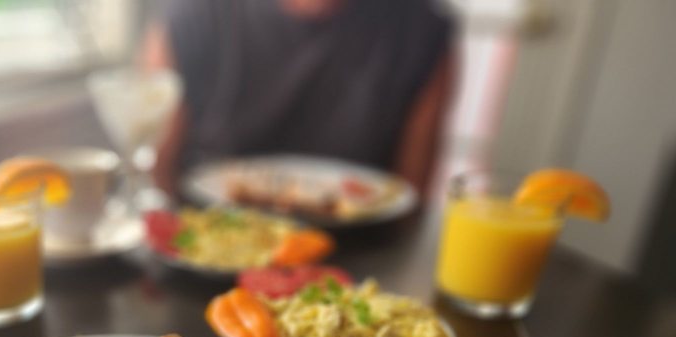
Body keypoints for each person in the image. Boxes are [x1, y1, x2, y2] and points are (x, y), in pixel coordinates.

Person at [142, 0, 456, 197]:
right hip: (202, 242)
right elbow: (152, 171)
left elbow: (409, 197)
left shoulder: (422, 29)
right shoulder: (192, 12)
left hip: (360, 259)